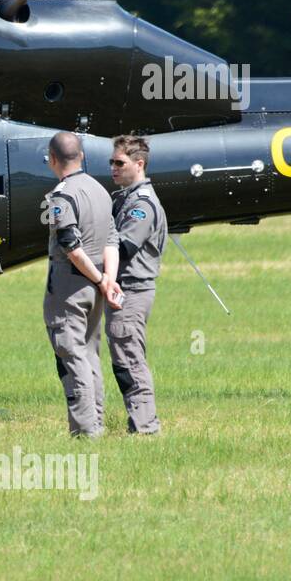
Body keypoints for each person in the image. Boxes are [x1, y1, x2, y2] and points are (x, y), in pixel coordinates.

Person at [43, 131, 122, 438]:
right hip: (97, 286)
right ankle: (97, 423)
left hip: (70, 289)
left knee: (71, 355)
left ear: (52, 159)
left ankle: (85, 431)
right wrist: (108, 280)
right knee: (90, 355)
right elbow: (111, 239)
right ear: (82, 157)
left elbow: (70, 245)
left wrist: (102, 279)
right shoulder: (101, 191)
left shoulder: (61, 197)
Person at [107, 134, 167, 434]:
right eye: (112, 162)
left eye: (120, 162)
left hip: (131, 291)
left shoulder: (141, 204)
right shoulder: (127, 198)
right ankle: (141, 424)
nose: (113, 168)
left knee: (129, 361)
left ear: (139, 164)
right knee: (124, 358)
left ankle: (145, 427)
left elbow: (123, 248)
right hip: (125, 290)